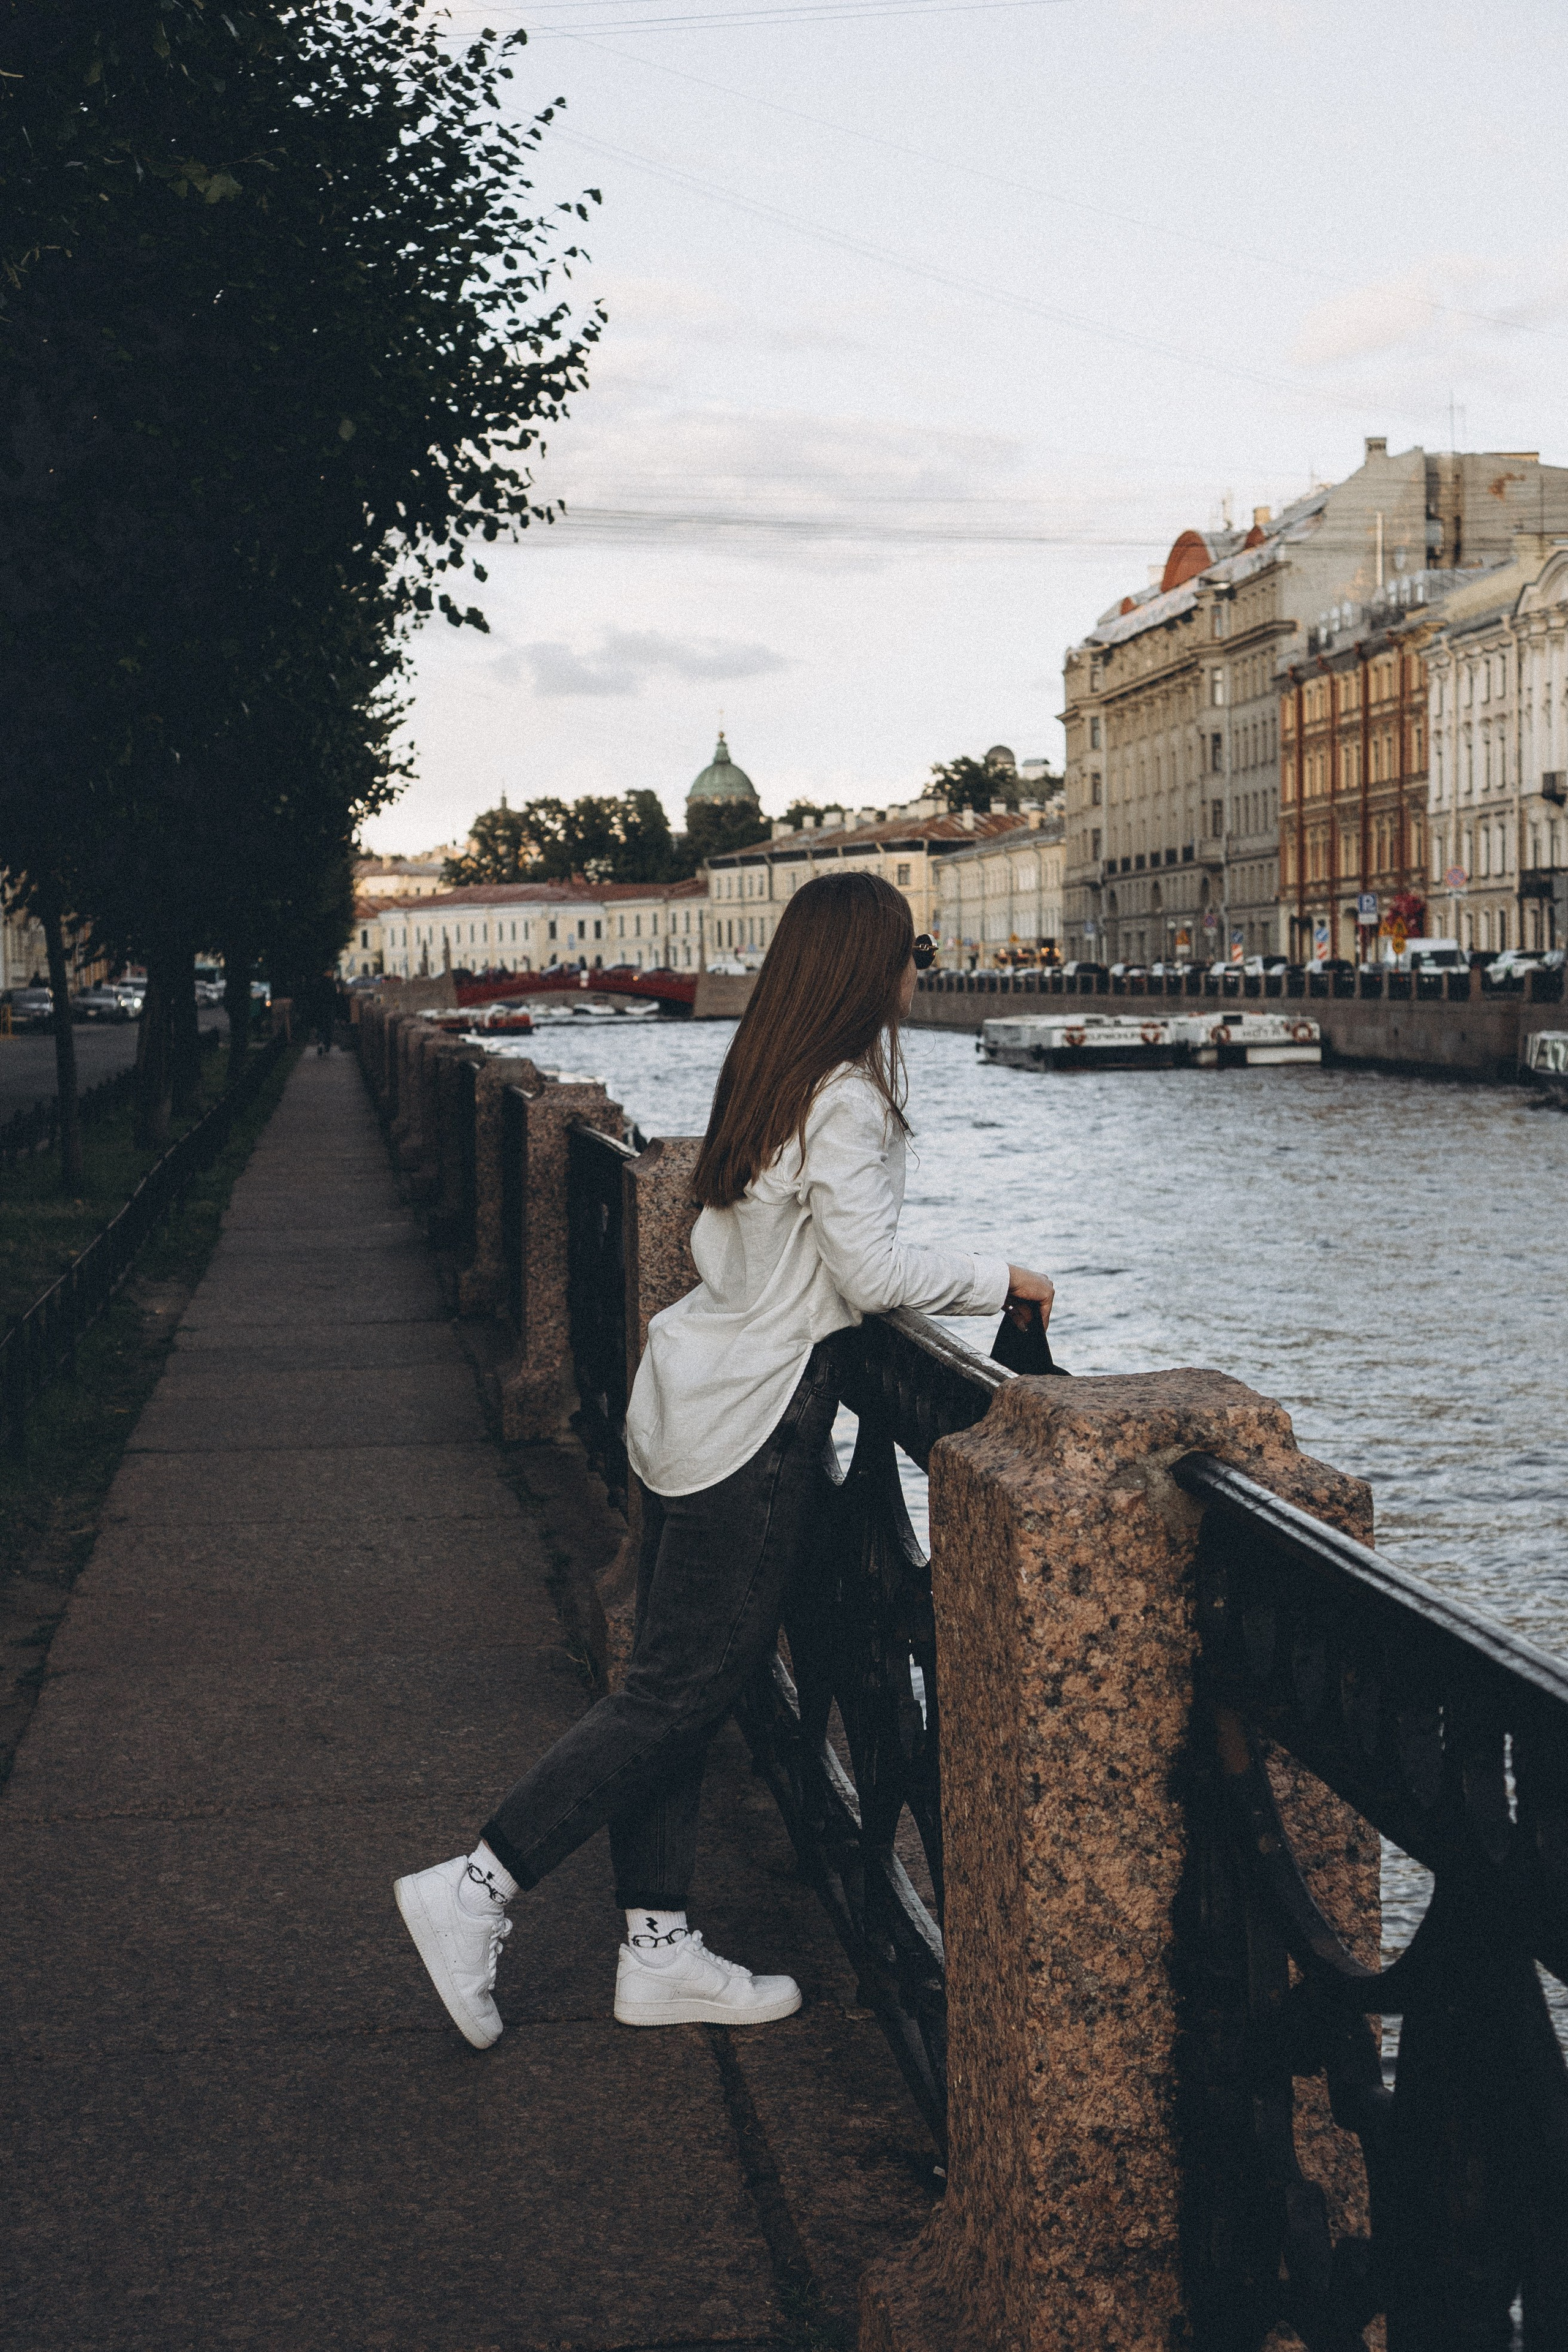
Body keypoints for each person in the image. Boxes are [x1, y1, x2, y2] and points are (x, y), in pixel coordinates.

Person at [393, 872, 1055, 2046]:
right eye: (912, 951)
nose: (921, 969)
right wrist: (1005, 1278)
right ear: (866, 969)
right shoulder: (846, 1097)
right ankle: (477, 1887)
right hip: (751, 1426)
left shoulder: (768, 1077)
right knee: (679, 1693)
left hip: (684, 1399)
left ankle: (657, 1947)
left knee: (674, 1687)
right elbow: (870, 1275)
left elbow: (717, 1239)